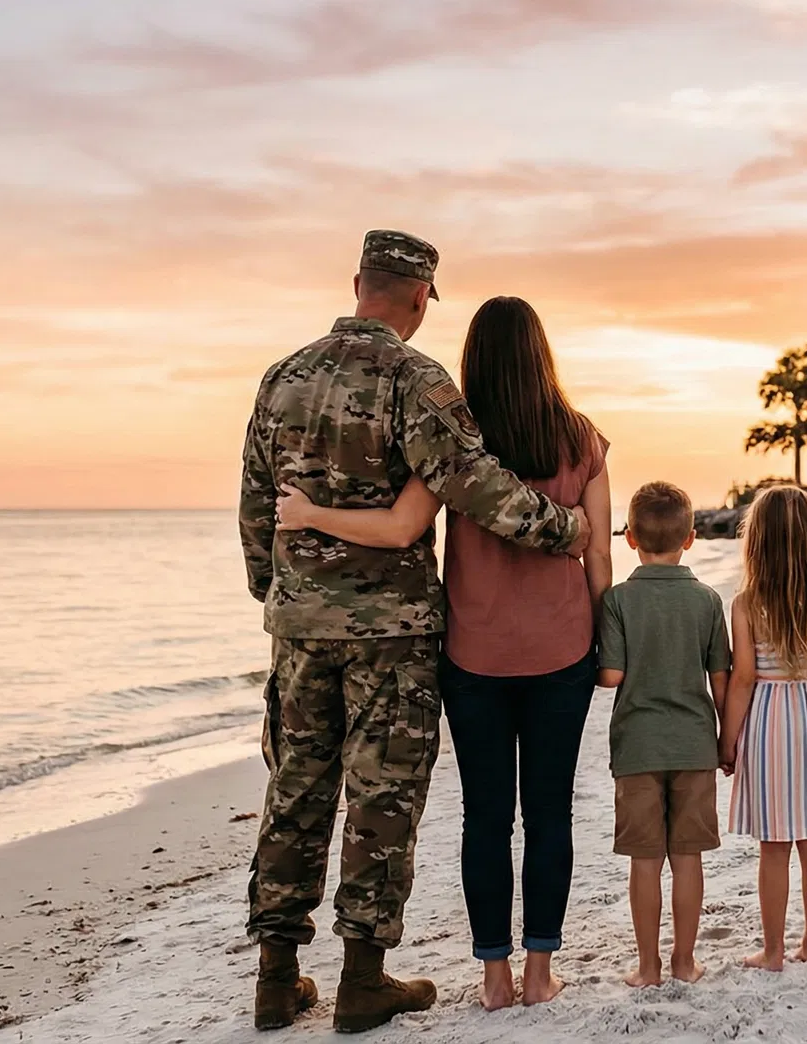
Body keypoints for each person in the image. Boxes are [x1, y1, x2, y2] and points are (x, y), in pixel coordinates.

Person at [237, 231, 590, 1033]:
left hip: (299, 629)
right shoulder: (414, 378)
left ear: (357, 283)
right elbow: (476, 484)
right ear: (422, 297)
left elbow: (257, 503)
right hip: (391, 634)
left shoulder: (283, 376)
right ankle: (362, 982)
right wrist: (564, 529)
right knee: (381, 799)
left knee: (294, 790)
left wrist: (279, 592)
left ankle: (276, 978)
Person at [596, 481, 731, 988]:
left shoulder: (617, 600)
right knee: (688, 858)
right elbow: (721, 680)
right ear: (690, 538)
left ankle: (648, 966)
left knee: (645, 860)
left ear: (630, 537)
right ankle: (684, 961)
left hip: (637, 746)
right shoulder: (707, 601)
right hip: (694, 745)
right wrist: (727, 740)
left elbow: (612, 675)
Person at [719, 485, 807, 972]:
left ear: (756, 541)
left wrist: (727, 741)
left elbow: (743, 679)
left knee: (773, 847)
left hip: (769, 720)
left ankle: (773, 951)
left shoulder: (747, 603)